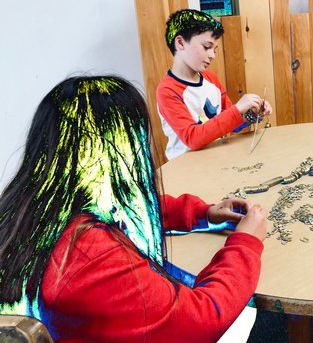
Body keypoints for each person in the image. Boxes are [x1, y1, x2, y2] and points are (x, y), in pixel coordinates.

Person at [0, 76, 268, 342]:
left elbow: (120, 204)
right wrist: (245, 243)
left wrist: (202, 213)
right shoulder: (88, 253)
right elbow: (202, 320)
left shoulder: (28, 207)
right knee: (256, 320)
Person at [157, 9, 272, 160]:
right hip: (186, 171)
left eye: (214, 49)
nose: (212, 55)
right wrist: (237, 109)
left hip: (216, 162)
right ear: (180, 43)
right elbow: (193, 139)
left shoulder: (211, 80)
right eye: (206, 47)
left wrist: (252, 114)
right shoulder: (167, 91)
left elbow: (230, 123)